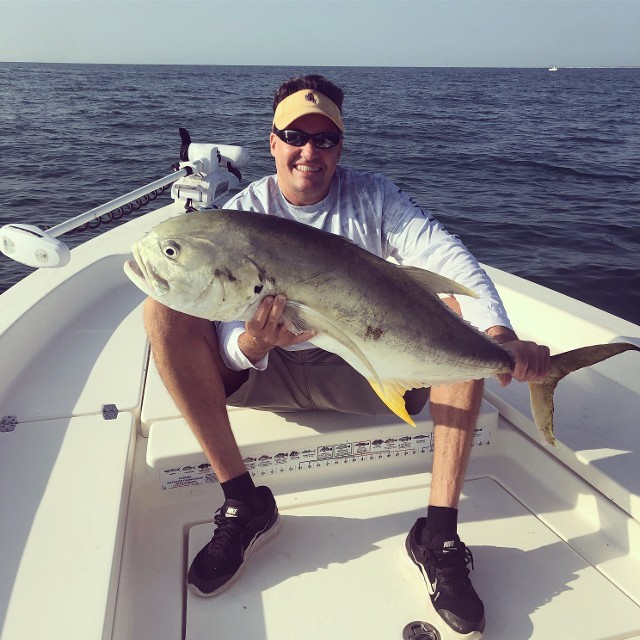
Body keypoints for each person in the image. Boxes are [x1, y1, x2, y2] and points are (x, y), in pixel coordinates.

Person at [143, 74, 551, 637]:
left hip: (368, 371)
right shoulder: (242, 216)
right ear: (272, 142)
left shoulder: (374, 198)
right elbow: (231, 355)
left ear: (340, 146)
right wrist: (257, 342)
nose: (309, 152)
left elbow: (444, 254)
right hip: (273, 370)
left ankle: (439, 533)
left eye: (325, 140)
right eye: (295, 136)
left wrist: (500, 334)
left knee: (456, 324)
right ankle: (244, 501)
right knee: (159, 313)